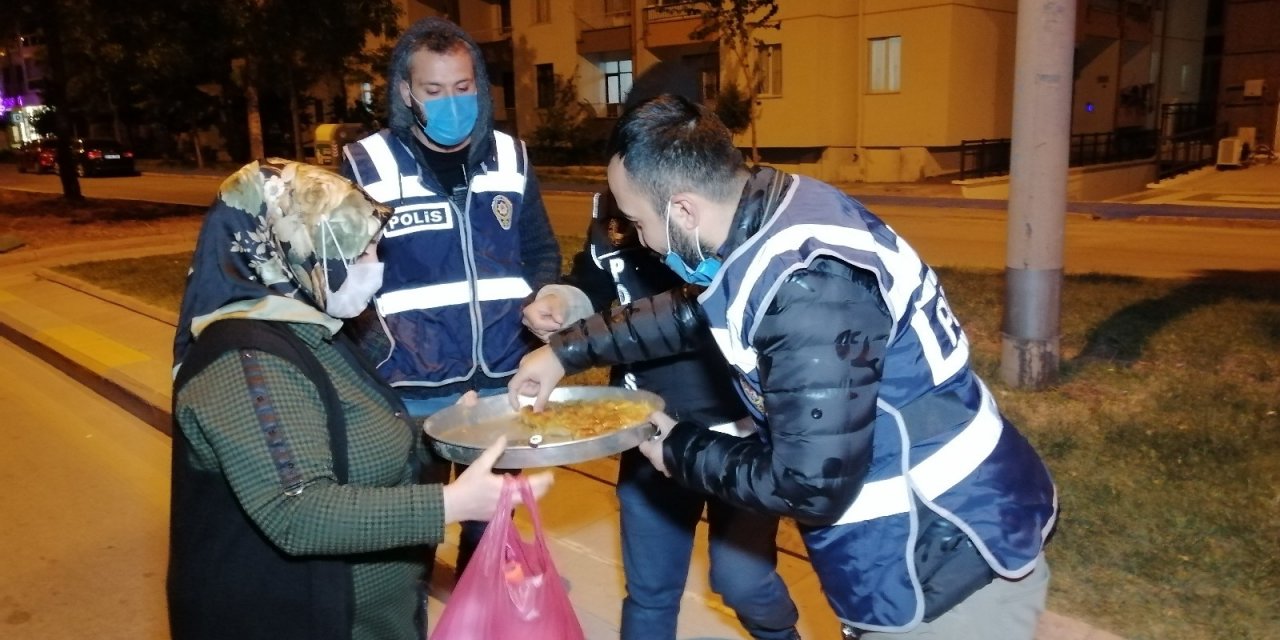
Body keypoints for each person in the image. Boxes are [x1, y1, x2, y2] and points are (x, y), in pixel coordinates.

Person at [509, 95, 1059, 639]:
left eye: (638, 221)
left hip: (939, 558)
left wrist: (673, 445)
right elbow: (694, 310)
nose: (644, 243)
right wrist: (564, 351)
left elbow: (809, 485)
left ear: (682, 210)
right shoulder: (774, 213)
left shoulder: (808, 290)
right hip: (930, 542)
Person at [168, 158, 553, 640]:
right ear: (295, 247)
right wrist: (450, 503)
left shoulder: (312, 330)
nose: (376, 267)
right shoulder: (244, 361)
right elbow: (297, 510)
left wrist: (444, 434)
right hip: (296, 620)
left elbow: (352, 440)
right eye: (360, 251)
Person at [339, 16, 561, 574]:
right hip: (410, 387)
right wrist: (371, 355)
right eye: (433, 90)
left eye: (462, 88)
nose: (450, 102)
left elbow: (539, 251)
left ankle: (478, 609)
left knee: (491, 535)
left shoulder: (512, 156)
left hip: (500, 380)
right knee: (407, 538)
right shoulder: (367, 164)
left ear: (480, 86)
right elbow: (340, 278)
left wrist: (542, 301)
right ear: (407, 91)